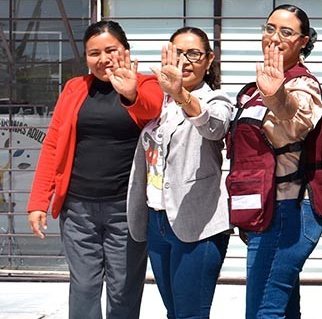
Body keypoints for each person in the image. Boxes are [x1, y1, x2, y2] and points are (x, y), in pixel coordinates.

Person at [27, 21, 163, 319]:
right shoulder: (76, 88)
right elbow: (52, 145)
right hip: (77, 208)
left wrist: (129, 94)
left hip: (125, 209)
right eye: (94, 53)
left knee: (124, 287)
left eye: (110, 50)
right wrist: (39, 201)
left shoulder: (145, 84)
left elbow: (151, 109)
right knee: (84, 286)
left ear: (125, 51)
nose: (103, 59)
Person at [126, 27, 232, 319]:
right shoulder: (158, 102)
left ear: (209, 60)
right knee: (174, 312)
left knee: (190, 314)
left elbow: (215, 126)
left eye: (194, 54)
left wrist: (182, 95)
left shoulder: (215, 99)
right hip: (157, 220)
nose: (184, 61)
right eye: (177, 53)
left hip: (198, 224)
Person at [234, 5, 322, 319]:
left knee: (263, 310)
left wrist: (278, 97)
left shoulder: (304, 85)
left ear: (302, 42)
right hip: (264, 208)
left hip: (291, 208)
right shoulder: (253, 90)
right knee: (282, 309)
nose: (274, 38)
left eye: (286, 32)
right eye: (269, 28)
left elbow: (295, 121)